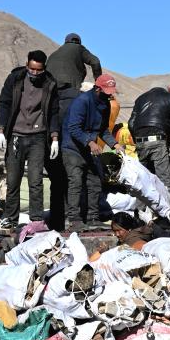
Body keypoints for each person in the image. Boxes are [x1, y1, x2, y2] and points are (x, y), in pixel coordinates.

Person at [0, 50, 61, 231]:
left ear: (44, 68)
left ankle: (37, 219)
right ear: (26, 65)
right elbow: (4, 103)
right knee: (13, 179)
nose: (35, 73)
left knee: (35, 180)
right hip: (15, 136)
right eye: (32, 69)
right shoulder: (15, 79)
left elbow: (54, 111)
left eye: (39, 70)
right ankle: (11, 218)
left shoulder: (50, 84)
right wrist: (0, 130)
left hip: (38, 137)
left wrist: (55, 137)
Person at [61, 74, 119, 232]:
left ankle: (93, 217)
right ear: (98, 89)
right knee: (75, 182)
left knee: (95, 181)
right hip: (72, 147)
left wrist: (115, 144)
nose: (109, 95)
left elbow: (103, 129)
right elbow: (74, 128)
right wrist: (90, 142)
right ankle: (74, 219)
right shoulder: (82, 101)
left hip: (89, 148)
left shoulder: (105, 105)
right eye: (106, 92)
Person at [127, 86, 170, 191]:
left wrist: (136, 140)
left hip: (140, 140)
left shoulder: (140, 98)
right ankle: (164, 201)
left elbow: (131, 123)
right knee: (164, 180)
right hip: (158, 139)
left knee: (144, 178)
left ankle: (142, 202)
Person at [46, 32, 103, 106]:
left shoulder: (55, 53)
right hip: (69, 88)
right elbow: (95, 61)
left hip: (50, 89)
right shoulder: (79, 48)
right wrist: (98, 82)